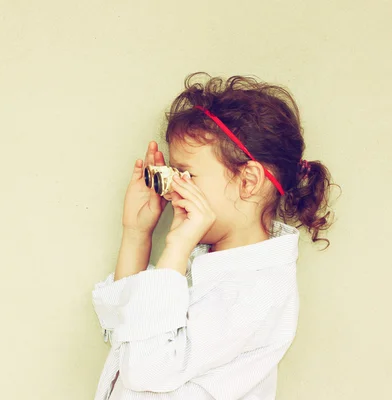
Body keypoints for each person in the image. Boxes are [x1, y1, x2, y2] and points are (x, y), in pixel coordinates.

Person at [91, 73, 336, 400]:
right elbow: (124, 328)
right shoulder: (204, 257)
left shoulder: (257, 290)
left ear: (248, 181)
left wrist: (176, 247)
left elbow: (146, 369)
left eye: (186, 174)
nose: (172, 186)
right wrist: (137, 233)